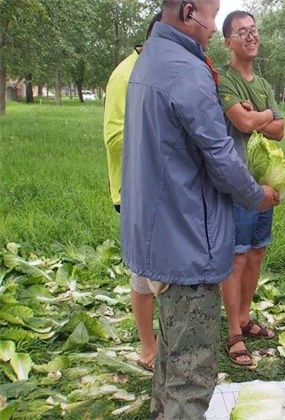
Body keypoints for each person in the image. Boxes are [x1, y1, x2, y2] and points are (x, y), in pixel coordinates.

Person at [120, 0, 279, 417]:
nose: (212, 28)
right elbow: (222, 159)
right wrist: (256, 194)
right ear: (189, 11)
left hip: (157, 233)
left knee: (173, 352)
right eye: (213, 14)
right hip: (187, 238)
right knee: (193, 371)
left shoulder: (151, 58)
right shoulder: (187, 71)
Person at [217, 10, 284, 366]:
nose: (251, 37)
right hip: (240, 183)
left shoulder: (261, 83)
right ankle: (233, 332)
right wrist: (263, 116)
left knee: (257, 251)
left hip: (266, 182)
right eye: (242, 32)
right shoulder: (224, 78)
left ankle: (244, 316)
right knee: (237, 257)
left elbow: (280, 129)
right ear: (228, 42)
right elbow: (241, 121)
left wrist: (257, 117)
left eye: (254, 30)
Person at [102, 11, 161, 373]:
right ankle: (147, 346)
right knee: (143, 273)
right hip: (136, 191)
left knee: (164, 272)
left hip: (165, 191)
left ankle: (167, 340)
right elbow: (114, 137)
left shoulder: (160, 70)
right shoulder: (127, 73)